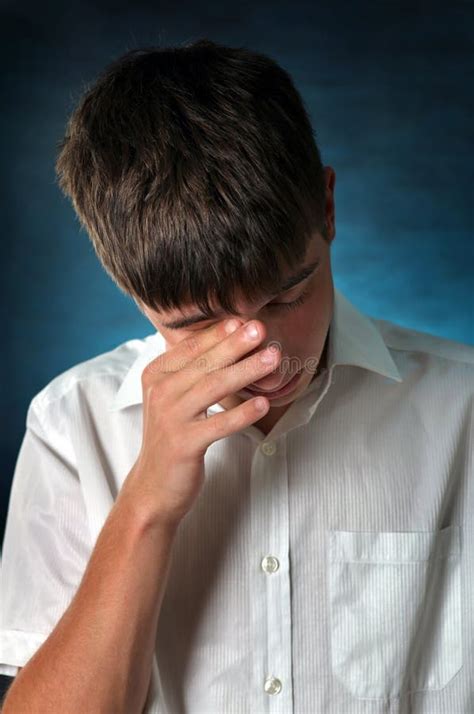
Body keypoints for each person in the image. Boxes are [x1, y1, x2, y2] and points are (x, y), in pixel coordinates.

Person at [1, 39, 473, 714]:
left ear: (328, 210)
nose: (267, 355)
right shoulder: (69, 427)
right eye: (197, 323)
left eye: (288, 296)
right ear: (128, 287)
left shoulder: (467, 414)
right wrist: (145, 506)